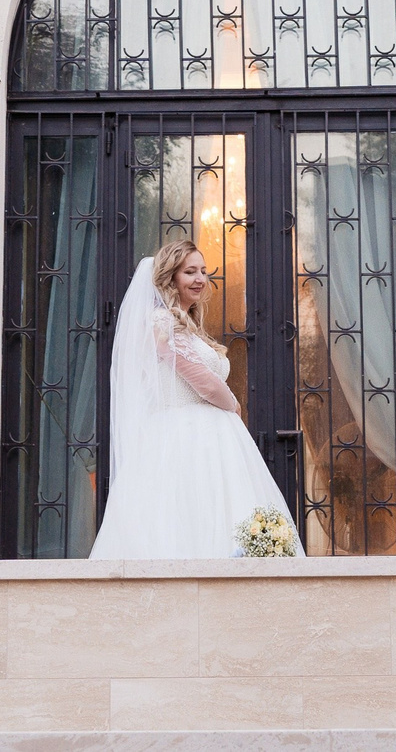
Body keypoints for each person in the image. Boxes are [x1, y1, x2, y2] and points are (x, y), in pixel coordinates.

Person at [87, 239, 302, 559]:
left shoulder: (186, 325)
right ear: (170, 277)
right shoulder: (162, 321)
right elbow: (199, 378)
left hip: (210, 437)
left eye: (203, 271)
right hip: (183, 435)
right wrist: (233, 404)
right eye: (190, 272)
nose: (200, 278)